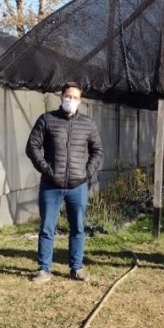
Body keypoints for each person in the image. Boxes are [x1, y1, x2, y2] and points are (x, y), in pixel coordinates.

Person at [26, 82, 103, 283]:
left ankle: (76, 268)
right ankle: (44, 270)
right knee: (47, 228)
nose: (71, 100)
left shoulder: (88, 124)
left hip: (78, 186)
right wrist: (47, 169)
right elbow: (32, 147)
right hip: (51, 185)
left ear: (80, 100)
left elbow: (97, 151)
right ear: (62, 97)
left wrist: (86, 172)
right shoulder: (47, 119)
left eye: (75, 98)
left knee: (78, 228)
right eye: (68, 96)